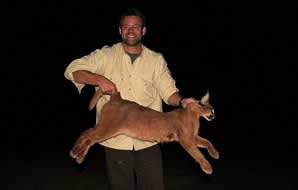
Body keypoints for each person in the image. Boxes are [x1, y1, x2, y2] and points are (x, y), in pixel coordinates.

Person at [64, 8, 193, 190]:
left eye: (135, 27)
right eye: (126, 27)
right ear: (120, 30)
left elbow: (168, 91)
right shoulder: (105, 55)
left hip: (148, 138)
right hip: (115, 140)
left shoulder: (156, 59)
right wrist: (99, 79)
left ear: (143, 30)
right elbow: (72, 70)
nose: (130, 30)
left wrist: (182, 101)